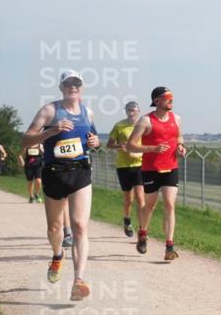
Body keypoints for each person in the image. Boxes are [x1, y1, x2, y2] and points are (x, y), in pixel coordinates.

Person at [20, 69, 100, 301]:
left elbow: (92, 139)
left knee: (79, 226)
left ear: (81, 88)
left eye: (77, 84)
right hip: (54, 173)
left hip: (80, 172)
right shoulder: (49, 110)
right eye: (68, 84)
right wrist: (52, 130)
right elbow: (26, 139)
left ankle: (79, 280)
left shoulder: (88, 112)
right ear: (61, 87)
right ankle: (57, 256)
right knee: (55, 229)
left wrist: (95, 142)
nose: (73, 87)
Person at [127, 87, 186, 260]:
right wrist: (153, 148)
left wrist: (181, 147)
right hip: (151, 169)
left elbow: (179, 137)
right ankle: (143, 232)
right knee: (150, 205)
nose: (171, 100)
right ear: (157, 100)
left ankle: (169, 246)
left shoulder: (177, 118)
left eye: (172, 97)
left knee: (169, 203)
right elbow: (131, 145)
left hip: (171, 167)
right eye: (167, 97)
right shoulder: (145, 121)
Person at [107, 101, 145, 237]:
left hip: (139, 165)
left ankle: (142, 229)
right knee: (129, 199)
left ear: (138, 111)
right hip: (123, 166)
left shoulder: (143, 126)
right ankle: (127, 220)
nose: (131, 112)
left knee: (141, 198)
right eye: (129, 110)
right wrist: (120, 147)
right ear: (126, 111)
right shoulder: (119, 126)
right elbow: (109, 145)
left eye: (134, 110)